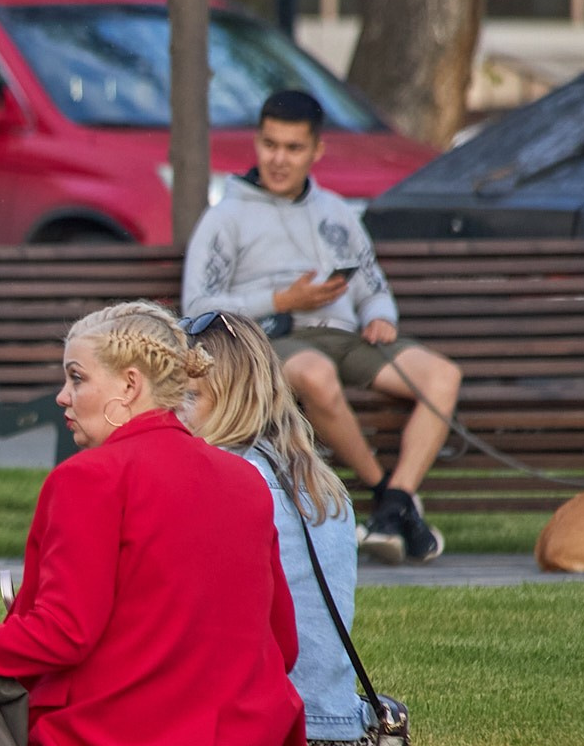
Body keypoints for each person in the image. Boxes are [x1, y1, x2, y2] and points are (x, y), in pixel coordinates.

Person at [0, 302, 330, 746]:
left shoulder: (88, 478)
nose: (63, 397)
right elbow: (282, 642)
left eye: (76, 378)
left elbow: (61, 636)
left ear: (130, 386)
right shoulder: (245, 480)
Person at [181, 88, 462, 565]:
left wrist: (379, 316)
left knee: (443, 376)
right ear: (257, 142)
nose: (279, 159)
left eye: (293, 148)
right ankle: (385, 498)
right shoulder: (225, 217)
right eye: (270, 145)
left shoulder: (337, 213)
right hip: (275, 341)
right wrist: (278, 300)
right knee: (315, 374)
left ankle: (397, 499)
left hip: (348, 335)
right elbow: (197, 305)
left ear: (316, 150)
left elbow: (372, 283)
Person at [181, 309, 368, 746]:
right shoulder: (315, 478)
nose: (172, 410)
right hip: (337, 722)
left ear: (230, 395)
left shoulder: (226, 480)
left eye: (188, 394)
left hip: (281, 731)